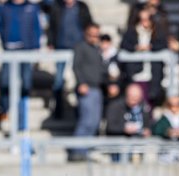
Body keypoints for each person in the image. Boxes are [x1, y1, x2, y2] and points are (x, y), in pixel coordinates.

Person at [0, 0, 42, 127]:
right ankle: (4, 111)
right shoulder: (5, 7)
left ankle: (23, 118)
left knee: (26, 83)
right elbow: (1, 26)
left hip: (26, 51)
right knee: (5, 82)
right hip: (9, 51)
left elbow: (37, 27)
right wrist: (5, 42)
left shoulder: (31, 8)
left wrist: (36, 48)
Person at [47, 0, 94, 119]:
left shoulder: (82, 7)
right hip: (61, 48)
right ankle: (58, 110)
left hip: (79, 50)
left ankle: (79, 112)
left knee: (80, 80)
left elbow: (89, 26)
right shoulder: (56, 7)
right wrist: (50, 42)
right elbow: (52, 26)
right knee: (59, 81)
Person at [68, 23, 107, 162]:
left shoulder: (97, 49)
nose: (94, 37)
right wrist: (81, 82)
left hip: (97, 88)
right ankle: (77, 151)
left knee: (95, 122)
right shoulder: (80, 47)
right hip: (87, 89)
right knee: (86, 121)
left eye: (97, 35)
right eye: (91, 35)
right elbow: (76, 66)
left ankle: (86, 150)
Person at [119, 7, 168, 107]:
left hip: (152, 73)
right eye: (141, 20)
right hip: (137, 73)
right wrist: (136, 47)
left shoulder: (157, 32)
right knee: (137, 101)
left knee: (150, 102)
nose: (144, 23)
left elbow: (163, 45)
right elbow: (124, 45)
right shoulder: (131, 32)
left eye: (146, 19)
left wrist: (151, 47)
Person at [105, 84, 152, 162]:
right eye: (131, 96)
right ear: (126, 95)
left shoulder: (144, 107)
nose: (134, 99)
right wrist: (124, 129)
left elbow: (148, 123)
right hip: (119, 145)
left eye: (136, 97)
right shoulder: (115, 106)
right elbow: (110, 126)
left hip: (137, 145)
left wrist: (147, 130)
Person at [153, 95, 179, 162]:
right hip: (167, 152)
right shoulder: (164, 118)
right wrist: (167, 132)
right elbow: (156, 130)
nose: (174, 108)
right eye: (171, 105)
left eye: (177, 105)